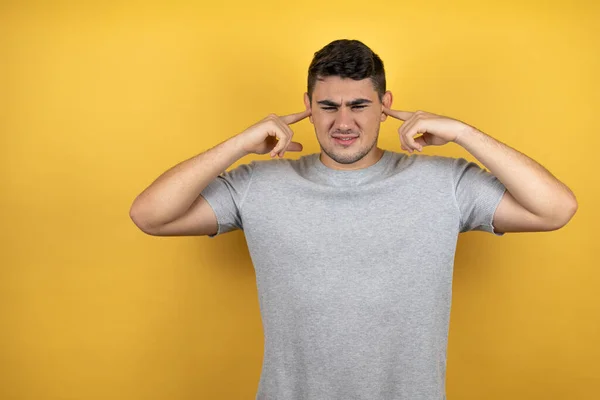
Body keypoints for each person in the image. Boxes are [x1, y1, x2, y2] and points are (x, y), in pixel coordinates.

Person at [129, 39, 577, 400]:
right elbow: (149, 215)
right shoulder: (259, 185)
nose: (343, 122)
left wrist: (462, 132)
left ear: (385, 104)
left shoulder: (445, 183)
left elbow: (556, 208)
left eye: (359, 106)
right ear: (307, 105)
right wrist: (240, 143)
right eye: (328, 107)